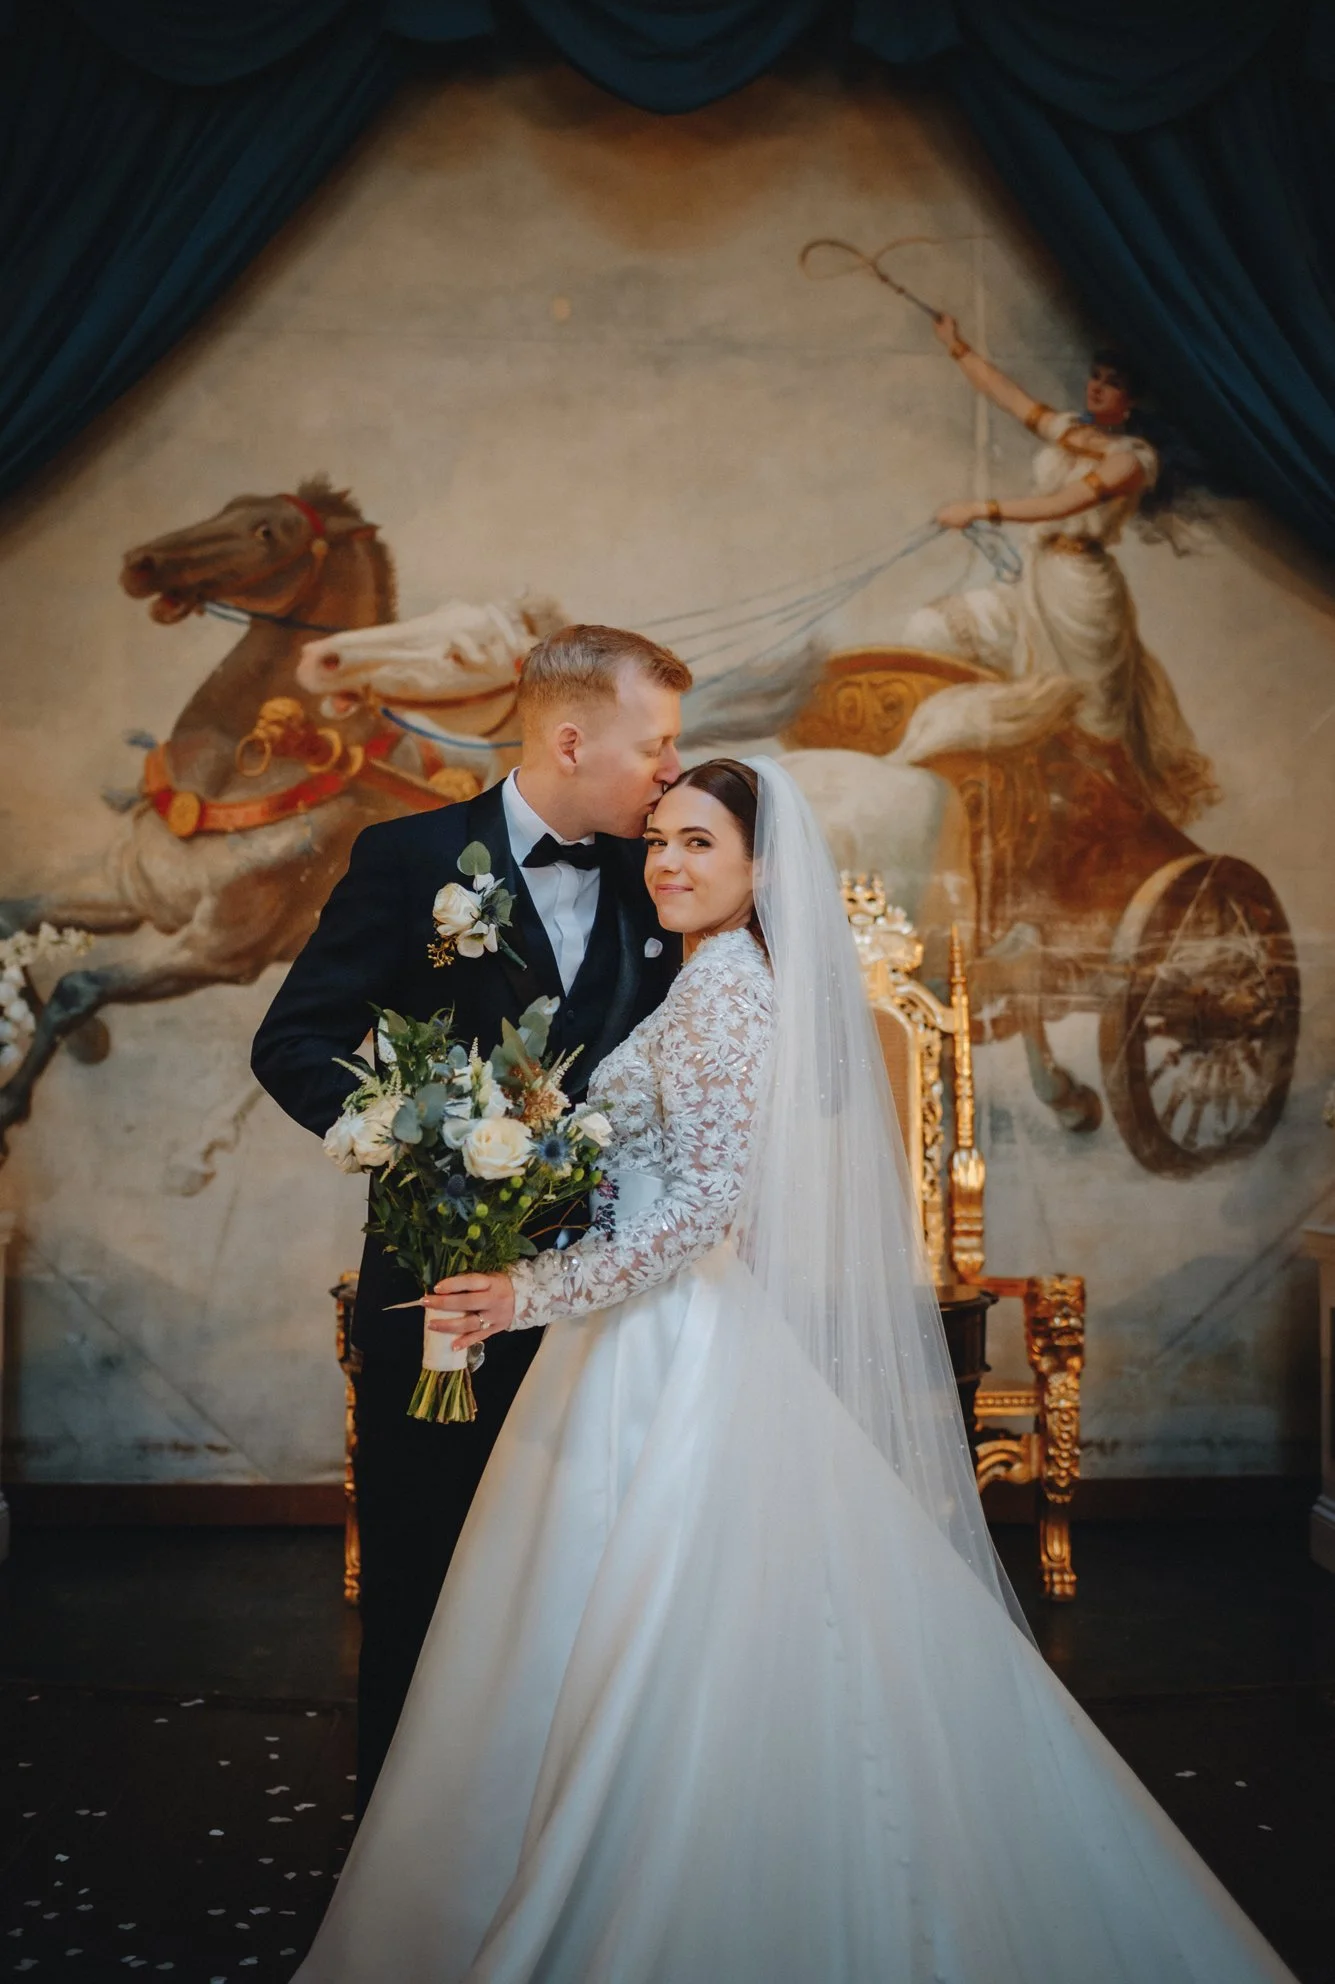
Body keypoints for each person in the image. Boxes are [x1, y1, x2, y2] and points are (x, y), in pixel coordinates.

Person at [294, 756, 1293, 1984]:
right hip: (634, 1337)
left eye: (699, 843)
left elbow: (702, 1210)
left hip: (671, 1343)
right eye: (659, 839)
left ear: (763, 869)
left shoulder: (731, 997)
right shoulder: (706, 975)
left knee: (657, 1628)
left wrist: (526, 1290)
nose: (666, 862)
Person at [250, 624, 690, 1810]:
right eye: (654, 744)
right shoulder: (409, 860)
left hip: (615, 1313)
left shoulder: (670, 871)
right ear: (568, 736)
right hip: (441, 1300)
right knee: (424, 1589)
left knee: (593, 1601)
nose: (669, 769)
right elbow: (291, 1041)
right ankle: (405, 1869)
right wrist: (418, 1134)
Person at [899, 320, 1217, 827]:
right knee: (935, 629)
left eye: (1111, 382)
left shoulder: (1133, 460)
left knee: (1090, 724)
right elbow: (1008, 395)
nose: (1095, 387)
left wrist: (980, 508)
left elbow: (1066, 502)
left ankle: (1098, 827)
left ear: (1131, 400)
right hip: (1034, 576)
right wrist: (956, 346)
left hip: (1082, 595)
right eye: (1095, 376)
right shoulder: (1073, 431)